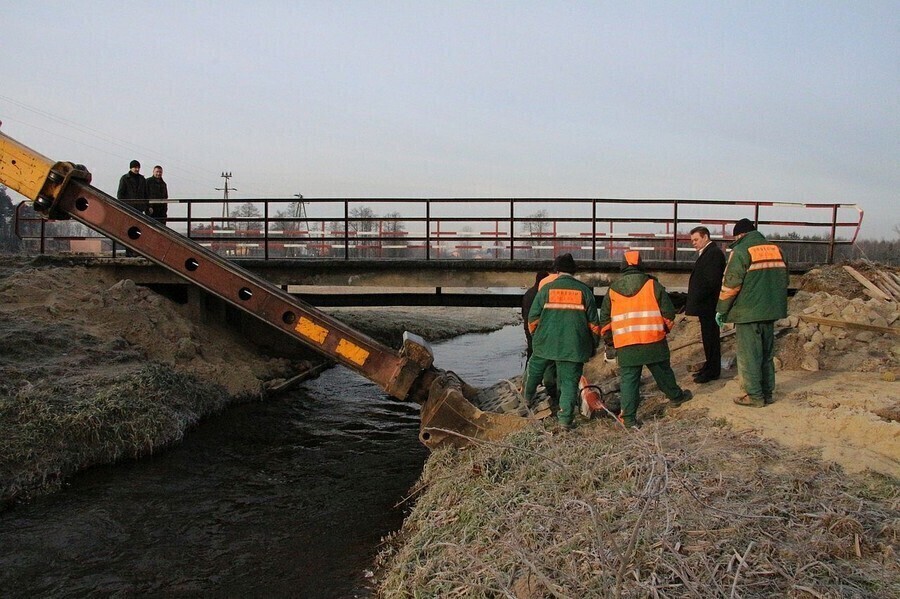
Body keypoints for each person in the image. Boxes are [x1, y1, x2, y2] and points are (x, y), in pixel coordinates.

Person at [599, 251, 692, 428]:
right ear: (641, 265)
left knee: (629, 381)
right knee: (663, 372)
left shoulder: (612, 290)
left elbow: (604, 321)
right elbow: (669, 314)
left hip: (626, 344)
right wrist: (662, 330)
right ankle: (676, 397)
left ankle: (629, 419)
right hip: (653, 340)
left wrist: (611, 340)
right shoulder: (652, 285)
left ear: (622, 267)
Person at [716, 218, 788, 408]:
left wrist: (722, 310)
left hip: (748, 313)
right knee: (766, 354)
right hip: (770, 311)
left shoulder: (741, 251)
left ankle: (754, 396)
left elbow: (731, 284)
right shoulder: (777, 250)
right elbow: (784, 280)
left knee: (749, 356)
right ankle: (767, 393)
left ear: (740, 235)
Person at [524, 253, 600, 430]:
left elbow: (533, 318)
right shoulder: (584, 291)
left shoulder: (546, 290)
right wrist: (592, 344)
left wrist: (537, 337)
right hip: (573, 346)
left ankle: (526, 398)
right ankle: (565, 421)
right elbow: (594, 325)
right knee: (569, 382)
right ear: (573, 272)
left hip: (546, 342)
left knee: (535, 369)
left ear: (556, 270)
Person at [686, 226, 726, 383]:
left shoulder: (713, 254)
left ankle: (713, 371)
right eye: (692, 241)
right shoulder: (708, 253)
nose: (693, 243)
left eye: (696, 240)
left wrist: (699, 297)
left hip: (709, 305)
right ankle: (709, 366)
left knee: (711, 338)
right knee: (707, 337)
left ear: (705, 237)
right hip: (706, 305)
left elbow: (712, 281)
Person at [522, 270, 550, 360]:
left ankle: (527, 373)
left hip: (528, 327)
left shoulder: (528, 293)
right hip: (538, 329)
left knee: (531, 353)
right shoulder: (543, 294)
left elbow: (523, 313)